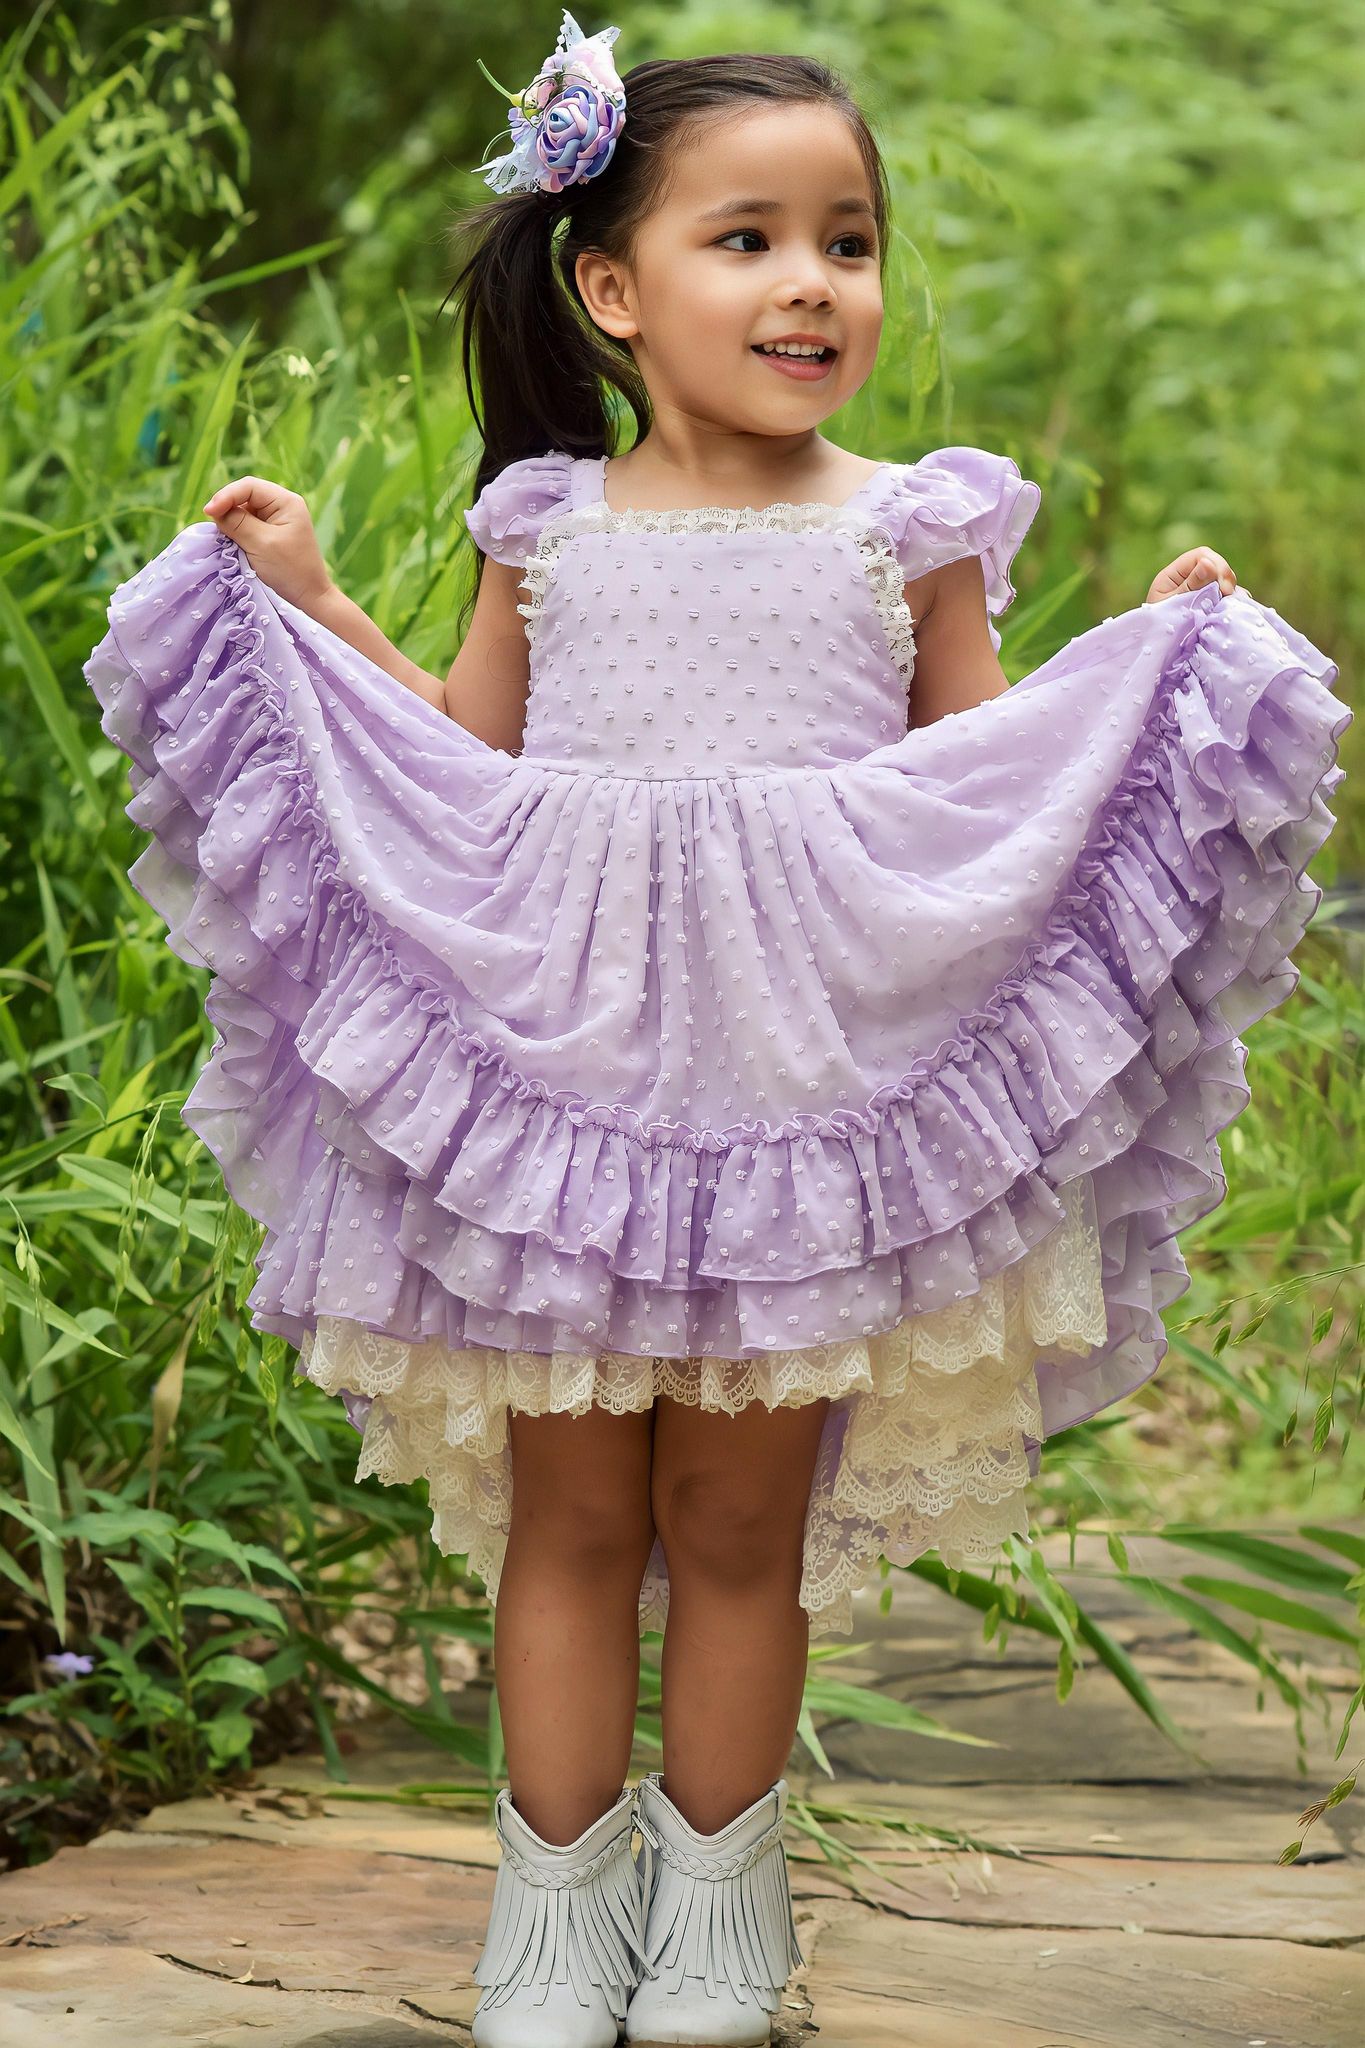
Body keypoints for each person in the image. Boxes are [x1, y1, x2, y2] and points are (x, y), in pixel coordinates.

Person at [82, 13, 1350, 2048]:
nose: (806, 284)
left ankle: (720, 1905)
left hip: (799, 1101)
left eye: (842, 241)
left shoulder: (907, 525)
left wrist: (1146, 668)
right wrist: (314, 611)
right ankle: (552, 1918)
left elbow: (975, 804)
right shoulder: (544, 522)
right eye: (744, 238)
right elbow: (460, 784)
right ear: (608, 285)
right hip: (563, 1089)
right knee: (575, 1515)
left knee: (736, 1523)